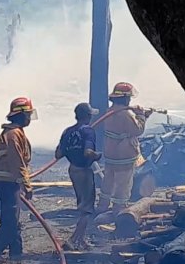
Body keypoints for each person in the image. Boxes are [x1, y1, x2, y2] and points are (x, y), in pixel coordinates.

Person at [0, 96, 36, 260]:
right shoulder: (14, 134)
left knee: (11, 216)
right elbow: (16, 161)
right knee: (10, 220)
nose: (29, 118)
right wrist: (26, 184)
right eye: (28, 115)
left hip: (9, 181)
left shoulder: (16, 132)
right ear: (20, 115)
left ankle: (16, 253)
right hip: (6, 182)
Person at [97, 82, 153, 215]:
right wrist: (141, 115)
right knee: (123, 183)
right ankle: (119, 208)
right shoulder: (126, 115)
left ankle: (102, 205)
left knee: (108, 180)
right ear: (125, 98)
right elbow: (137, 130)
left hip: (111, 152)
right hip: (124, 154)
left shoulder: (109, 111)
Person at [55, 102, 102, 249]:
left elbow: (58, 154)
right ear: (88, 116)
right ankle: (73, 240)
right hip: (83, 171)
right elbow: (88, 152)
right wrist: (97, 155)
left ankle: (81, 240)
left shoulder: (67, 131)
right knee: (87, 208)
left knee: (82, 204)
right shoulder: (88, 131)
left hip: (73, 170)